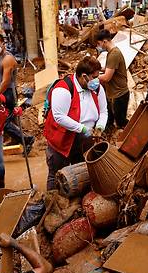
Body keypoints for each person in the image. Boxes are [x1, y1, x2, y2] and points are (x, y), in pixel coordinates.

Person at [44, 56, 107, 190]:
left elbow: (103, 111)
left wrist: (100, 126)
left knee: (81, 171)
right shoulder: (64, 89)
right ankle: (51, 204)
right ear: (84, 76)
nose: (97, 80)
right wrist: (83, 129)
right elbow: (59, 117)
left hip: (84, 138)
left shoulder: (97, 88)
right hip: (61, 138)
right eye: (94, 76)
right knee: (56, 174)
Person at [0, 33, 35, 155]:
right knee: (8, 120)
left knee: (2, 121)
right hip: (3, 92)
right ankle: (19, 140)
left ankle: (27, 139)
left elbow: (6, 81)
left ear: (3, 43)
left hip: (8, 93)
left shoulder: (8, 59)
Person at [95, 30, 130, 129]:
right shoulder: (111, 53)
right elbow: (110, 69)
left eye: (99, 43)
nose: (99, 46)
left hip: (120, 93)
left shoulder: (114, 54)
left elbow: (106, 77)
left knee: (121, 122)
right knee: (111, 116)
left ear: (105, 41)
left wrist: (92, 77)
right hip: (114, 93)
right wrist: (97, 69)